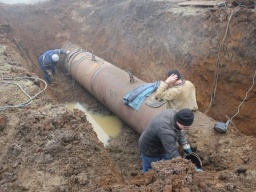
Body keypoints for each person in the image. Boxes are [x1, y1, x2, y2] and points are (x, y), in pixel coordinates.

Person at [138, 108, 194, 172]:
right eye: (185, 127)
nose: (186, 129)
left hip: (163, 146)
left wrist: (185, 146)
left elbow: (179, 130)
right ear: (178, 122)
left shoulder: (176, 114)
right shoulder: (166, 131)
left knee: (167, 165)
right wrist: (184, 167)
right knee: (150, 172)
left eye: (188, 127)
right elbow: (172, 153)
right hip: (150, 149)